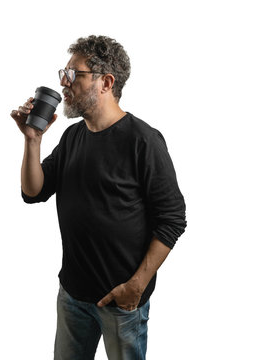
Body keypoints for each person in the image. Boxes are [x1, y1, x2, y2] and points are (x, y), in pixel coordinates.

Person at [10, 35, 187, 360]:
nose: (63, 84)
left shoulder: (143, 141)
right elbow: (34, 191)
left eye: (72, 75)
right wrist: (33, 140)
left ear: (106, 82)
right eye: (62, 74)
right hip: (72, 295)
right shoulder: (73, 136)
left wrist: (136, 285)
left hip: (122, 301)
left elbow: (173, 219)